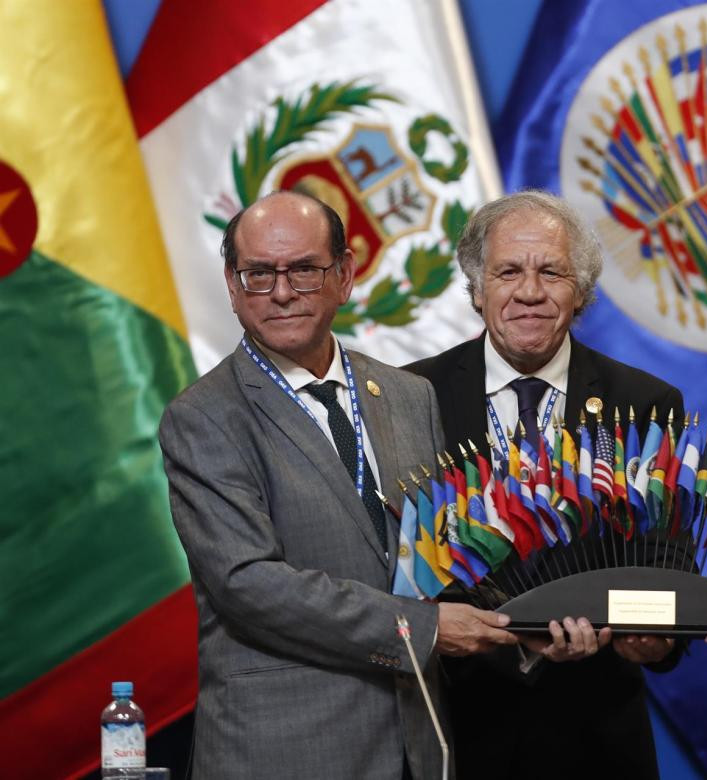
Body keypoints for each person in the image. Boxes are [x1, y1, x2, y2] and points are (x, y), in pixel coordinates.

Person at [159, 191, 519, 780]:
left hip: (420, 745)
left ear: (345, 275)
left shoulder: (407, 396)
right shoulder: (204, 417)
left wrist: (530, 625)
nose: (281, 292)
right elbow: (248, 584)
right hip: (286, 752)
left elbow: (444, 553)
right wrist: (422, 630)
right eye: (258, 273)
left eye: (303, 269)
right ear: (232, 284)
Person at [406, 191, 685, 779]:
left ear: (580, 293)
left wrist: (659, 639)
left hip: (598, 736)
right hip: (461, 732)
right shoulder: (412, 398)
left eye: (551, 272)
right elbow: (398, 564)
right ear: (476, 290)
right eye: (508, 271)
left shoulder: (644, 404)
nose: (529, 292)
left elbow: (667, 562)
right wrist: (513, 644)